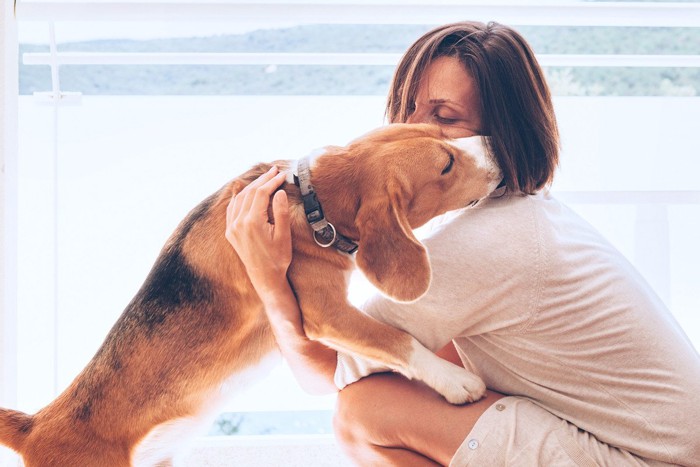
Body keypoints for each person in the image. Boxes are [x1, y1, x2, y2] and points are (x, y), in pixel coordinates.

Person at [225, 21, 700, 466]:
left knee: (363, 409)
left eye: (444, 116)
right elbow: (433, 360)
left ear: (499, 137)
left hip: (649, 460)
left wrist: (268, 275)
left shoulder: (484, 244)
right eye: (408, 106)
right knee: (424, 375)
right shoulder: (530, 214)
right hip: (664, 447)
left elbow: (323, 374)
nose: (411, 131)